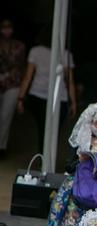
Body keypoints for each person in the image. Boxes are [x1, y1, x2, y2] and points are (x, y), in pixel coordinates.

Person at [17, 26, 76, 168]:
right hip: (59, 97)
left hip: (37, 95)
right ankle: (48, 159)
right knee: (54, 131)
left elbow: (28, 77)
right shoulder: (65, 54)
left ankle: (44, 158)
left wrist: (20, 98)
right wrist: (73, 101)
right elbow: (70, 81)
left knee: (43, 128)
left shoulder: (35, 51)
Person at [0, 18, 27, 155]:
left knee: (6, 116)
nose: (6, 30)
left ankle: (2, 147)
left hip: (13, 83)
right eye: (4, 27)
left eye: (9, 27)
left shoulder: (19, 46)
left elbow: (21, 66)